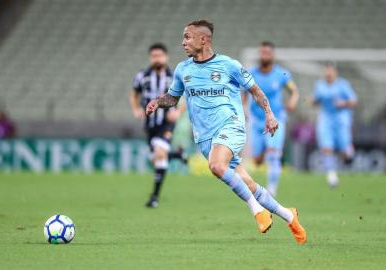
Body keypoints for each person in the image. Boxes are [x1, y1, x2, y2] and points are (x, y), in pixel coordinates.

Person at [146, 20, 306, 244]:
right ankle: (290, 216)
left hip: (231, 126)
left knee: (216, 166)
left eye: (187, 37)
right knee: (247, 183)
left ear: (204, 39)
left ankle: (257, 211)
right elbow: (173, 98)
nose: (183, 42)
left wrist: (269, 114)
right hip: (205, 137)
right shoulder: (183, 69)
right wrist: (158, 102)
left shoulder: (229, 65)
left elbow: (256, 91)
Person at [130, 43, 187, 208]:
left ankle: (154, 197)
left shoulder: (174, 76)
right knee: (156, 158)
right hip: (149, 124)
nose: (157, 59)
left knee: (160, 154)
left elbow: (186, 95)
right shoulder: (142, 76)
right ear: (150, 57)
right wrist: (135, 109)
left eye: (160, 56)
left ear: (166, 57)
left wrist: (178, 112)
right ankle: (176, 155)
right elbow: (134, 94)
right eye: (154, 56)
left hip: (167, 122)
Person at [243, 41, 299, 196]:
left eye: (267, 53)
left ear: (272, 55)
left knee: (273, 154)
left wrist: (293, 101)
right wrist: (244, 109)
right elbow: (243, 93)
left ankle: (272, 190)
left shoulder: (281, 74)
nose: (264, 55)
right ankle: (261, 158)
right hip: (256, 120)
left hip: (276, 119)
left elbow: (294, 91)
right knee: (257, 160)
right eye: (262, 52)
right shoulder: (251, 73)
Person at [312, 62, 358, 187]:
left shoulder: (343, 85)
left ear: (335, 72)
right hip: (326, 119)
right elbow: (315, 101)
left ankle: (349, 152)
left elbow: (354, 101)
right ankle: (331, 176)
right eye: (326, 71)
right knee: (327, 147)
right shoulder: (319, 85)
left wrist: (343, 103)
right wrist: (313, 101)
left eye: (330, 71)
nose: (328, 73)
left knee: (344, 150)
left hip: (341, 119)